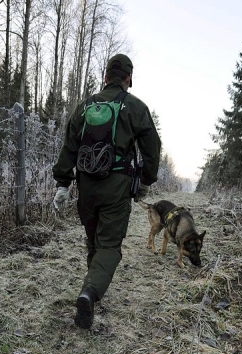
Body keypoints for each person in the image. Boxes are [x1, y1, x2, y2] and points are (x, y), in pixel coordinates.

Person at [52, 54, 161, 329]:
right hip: (117, 186)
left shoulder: (84, 107)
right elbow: (152, 148)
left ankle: (90, 289)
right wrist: (146, 180)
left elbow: (69, 147)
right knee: (109, 245)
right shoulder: (135, 107)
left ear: (105, 77)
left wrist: (63, 184)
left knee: (94, 241)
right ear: (128, 79)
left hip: (86, 187)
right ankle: (89, 293)